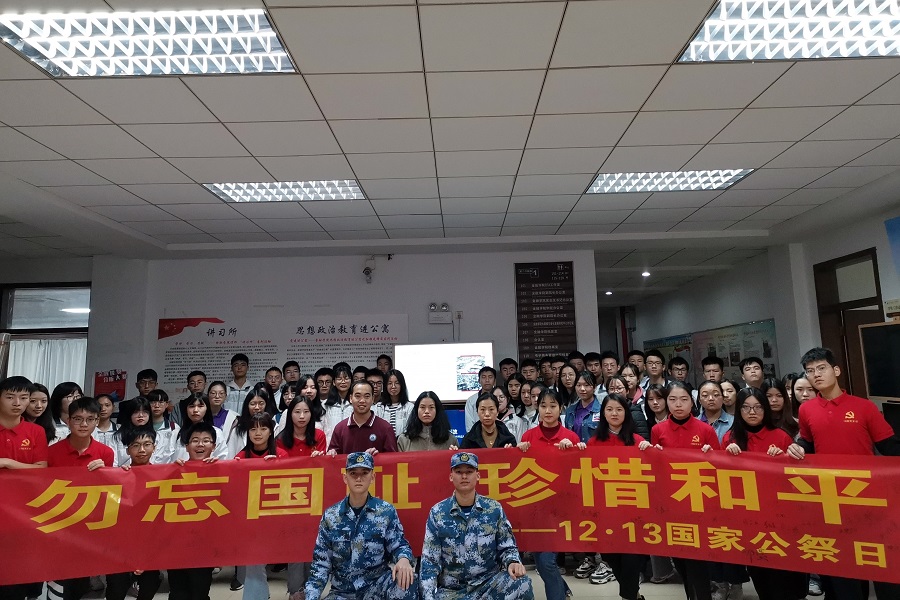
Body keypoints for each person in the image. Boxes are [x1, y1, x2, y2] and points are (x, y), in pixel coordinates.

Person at [788, 347, 899, 600]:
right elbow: (808, 443)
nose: (816, 374)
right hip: (832, 502)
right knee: (845, 570)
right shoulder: (806, 410)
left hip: (868, 498)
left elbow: (890, 447)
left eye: (822, 368)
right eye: (810, 371)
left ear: (836, 370)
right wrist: (798, 447)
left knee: (880, 564)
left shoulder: (864, 407)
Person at [724, 388, 805, 600]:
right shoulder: (730, 439)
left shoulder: (780, 436)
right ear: (738, 410)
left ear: (766, 410)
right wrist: (728, 459)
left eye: (758, 407)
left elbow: (796, 478)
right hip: (749, 518)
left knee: (785, 575)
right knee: (761, 574)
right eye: (746, 407)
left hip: (780, 518)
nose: (752, 412)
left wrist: (782, 458)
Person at [420, 452, 533, 600]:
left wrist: (513, 562)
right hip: (452, 591)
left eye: (469, 472)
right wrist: (428, 597)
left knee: (522, 583)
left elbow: (507, 547)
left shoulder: (493, 509)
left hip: (488, 586)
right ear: (451, 476)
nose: (464, 476)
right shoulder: (438, 513)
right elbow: (430, 562)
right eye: (458, 472)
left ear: (478, 476)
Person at [306, 452, 417, 600]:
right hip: (343, 592)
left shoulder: (385, 511)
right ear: (345, 478)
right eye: (353, 473)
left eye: (364, 473)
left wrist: (403, 559)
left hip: (377, 587)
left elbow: (399, 545)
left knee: (408, 581)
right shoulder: (331, 516)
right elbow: (321, 564)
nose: (359, 478)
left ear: (373, 477)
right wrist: (311, 597)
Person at [652, 381, 720, 600]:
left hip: (699, 504)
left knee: (697, 562)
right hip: (671, 504)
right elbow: (655, 470)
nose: (678, 405)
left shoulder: (705, 430)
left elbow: (719, 469)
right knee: (680, 560)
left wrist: (711, 455)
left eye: (683, 399)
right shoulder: (657, 430)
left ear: (692, 402)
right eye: (672, 400)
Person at [587, 393, 652, 596]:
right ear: (603, 413)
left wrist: (651, 451)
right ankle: (633, 595)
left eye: (619, 409)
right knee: (611, 557)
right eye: (609, 409)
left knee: (631, 559)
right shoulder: (593, 443)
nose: (614, 413)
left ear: (626, 413)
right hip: (606, 514)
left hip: (634, 513)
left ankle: (629, 596)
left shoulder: (638, 441)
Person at [518, 388, 580, 600]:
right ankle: (563, 590)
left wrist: (573, 451)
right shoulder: (528, 437)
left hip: (562, 510)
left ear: (561, 408)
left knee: (546, 562)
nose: (548, 410)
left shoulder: (570, 437)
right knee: (542, 562)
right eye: (543, 406)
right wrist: (517, 451)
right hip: (536, 510)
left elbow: (579, 474)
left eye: (553, 406)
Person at [107, 426, 163, 600]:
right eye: (136, 445)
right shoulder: (118, 476)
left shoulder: (163, 476)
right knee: (116, 589)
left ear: (154, 447)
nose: (142, 450)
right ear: (127, 450)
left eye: (147, 444)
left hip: (151, 543)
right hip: (121, 544)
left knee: (150, 585)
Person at [168, 422, 218, 600]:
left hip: (204, 544)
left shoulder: (222, 471)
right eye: (195, 440)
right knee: (177, 593)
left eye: (206, 441)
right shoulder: (175, 470)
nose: (200, 444)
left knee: (200, 591)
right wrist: (171, 471)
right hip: (176, 543)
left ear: (213, 446)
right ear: (187, 446)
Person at [327, 380, 398, 455]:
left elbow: (392, 459)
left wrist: (377, 457)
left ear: (372, 399)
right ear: (351, 398)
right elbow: (332, 456)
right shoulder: (340, 428)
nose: (362, 400)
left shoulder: (385, 428)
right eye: (357, 396)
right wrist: (331, 453)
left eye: (367, 396)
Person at [563, 371, 601, 443]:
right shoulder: (570, 411)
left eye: (586, 385)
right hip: (574, 449)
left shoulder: (602, 410)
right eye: (578, 385)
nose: (582, 389)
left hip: (595, 449)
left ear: (595, 387)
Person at [375, 369, 414, 437]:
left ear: (402, 385)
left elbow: (410, 429)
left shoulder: (409, 407)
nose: (393, 386)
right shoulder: (378, 407)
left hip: (402, 442)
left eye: (397, 383)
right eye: (390, 383)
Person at [697, 380, 734, 445]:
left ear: (723, 398)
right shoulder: (694, 423)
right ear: (699, 400)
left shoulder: (734, 422)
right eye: (705, 395)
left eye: (716, 395)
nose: (711, 398)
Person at [464, 366, 497, 431]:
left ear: (495, 381)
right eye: (484, 377)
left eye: (490, 377)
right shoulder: (471, 400)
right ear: (479, 380)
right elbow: (469, 425)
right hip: (476, 435)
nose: (487, 380)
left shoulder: (499, 398)